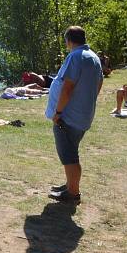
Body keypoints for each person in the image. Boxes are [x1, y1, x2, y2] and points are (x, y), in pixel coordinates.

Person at [45, 26, 103, 204]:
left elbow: (67, 87)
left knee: (69, 155)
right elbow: (98, 84)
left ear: (68, 40)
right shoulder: (93, 57)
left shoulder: (75, 56)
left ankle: (73, 193)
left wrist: (58, 112)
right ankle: (71, 185)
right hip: (82, 115)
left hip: (68, 117)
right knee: (72, 152)